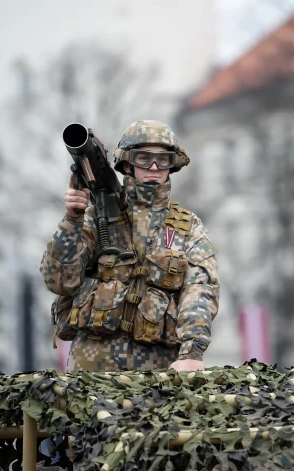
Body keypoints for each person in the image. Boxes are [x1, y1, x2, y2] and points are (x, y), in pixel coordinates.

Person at [40, 120, 220, 373]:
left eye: (163, 159)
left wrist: (192, 352)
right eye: (144, 158)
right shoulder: (95, 218)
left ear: (173, 165)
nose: (155, 167)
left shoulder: (187, 227)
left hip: (159, 376)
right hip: (91, 375)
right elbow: (58, 281)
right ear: (127, 164)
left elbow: (200, 290)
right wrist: (72, 219)